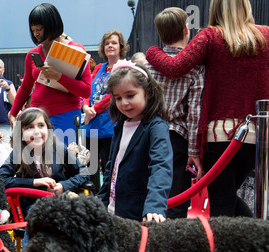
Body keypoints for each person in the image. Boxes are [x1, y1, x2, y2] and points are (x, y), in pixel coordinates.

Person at [146, 0, 269, 218]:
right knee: (230, 199)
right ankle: (255, 242)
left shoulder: (209, 36)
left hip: (219, 137)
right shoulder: (266, 35)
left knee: (222, 206)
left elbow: (174, 68)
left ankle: (228, 251)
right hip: (257, 136)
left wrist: (151, 52)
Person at [145, 7, 205, 219]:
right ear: (185, 30)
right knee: (176, 202)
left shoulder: (148, 65)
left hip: (149, 135)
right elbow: (194, 113)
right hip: (177, 139)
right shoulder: (196, 68)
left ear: (160, 33)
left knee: (150, 196)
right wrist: (194, 152)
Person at [97, 60, 172, 223]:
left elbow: (161, 165)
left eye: (130, 95)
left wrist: (154, 205)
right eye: (118, 98)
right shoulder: (120, 125)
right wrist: (101, 203)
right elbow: (111, 167)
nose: (124, 103)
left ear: (148, 92)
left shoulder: (156, 126)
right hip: (114, 210)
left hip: (138, 214)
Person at [8, 3, 92, 145]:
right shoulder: (32, 54)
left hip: (65, 114)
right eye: (33, 30)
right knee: (36, 161)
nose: (36, 34)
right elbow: (25, 87)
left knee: (63, 161)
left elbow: (86, 90)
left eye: (39, 29)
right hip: (37, 116)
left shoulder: (75, 50)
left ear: (52, 26)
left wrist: (59, 76)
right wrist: (13, 112)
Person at [0, 107, 90, 234]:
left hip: (60, 201)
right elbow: (1, 179)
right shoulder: (18, 153)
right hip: (32, 206)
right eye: (29, 127)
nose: (36, 131)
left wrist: (63, 185)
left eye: (41, 125)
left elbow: (83, 172)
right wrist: (34, 182)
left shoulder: (59, 149)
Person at [82, 30, 130, 193]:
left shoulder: (123, 68)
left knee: (109, 171)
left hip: (109, 128)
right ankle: (92, 204)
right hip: (90, 127)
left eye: (114, 43)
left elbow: (114, 95)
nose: (110, 45)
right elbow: (88, 89)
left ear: (121, 47)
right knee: (89, 170)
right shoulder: (99, 67)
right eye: (107, 43)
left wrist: (94, 109)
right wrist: (86, 107)